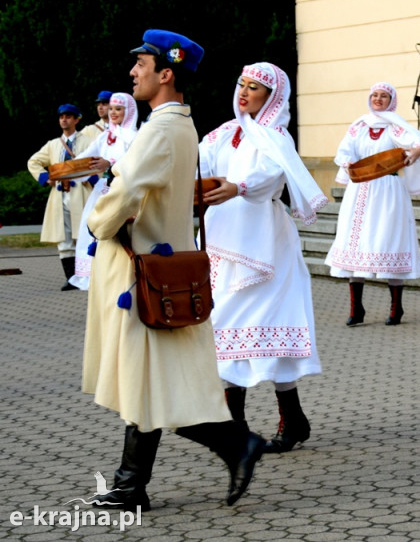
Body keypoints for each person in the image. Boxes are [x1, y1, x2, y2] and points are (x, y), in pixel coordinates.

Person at [82, 29, 265, 511]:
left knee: (151, 381)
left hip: (142, 273)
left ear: (166, 73)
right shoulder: (179, 123)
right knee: (152, 380)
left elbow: (126, 194)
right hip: (157, 270)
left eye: (140, 64)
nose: (132, 72)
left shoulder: (161, 129)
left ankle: (144, 481)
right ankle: (133, 484)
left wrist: (98, 222)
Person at [200, 62, 328, 453]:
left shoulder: (275, 136)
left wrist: (238, 186)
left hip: (265, 240)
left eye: (254, 87)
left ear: (271, 98)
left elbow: (272, 174)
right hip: (222, 237)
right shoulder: (224, 132)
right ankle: (256, 426)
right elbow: (197, 162)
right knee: (222, 325)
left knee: (264, 325)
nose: (244, 92)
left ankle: (271, 424)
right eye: (241, 83)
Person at [325, 82, 420, 326]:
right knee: (355, 243)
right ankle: (357, 310)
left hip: (388, 190)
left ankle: (395, 308)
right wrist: (348, 163)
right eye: (375, 95)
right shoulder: (359, 126)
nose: (378, 99)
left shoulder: (396, 126)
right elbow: (343, 152)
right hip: (360, 190)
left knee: (388, 240)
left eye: (384, 96)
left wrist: (416, 151)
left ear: (392, 100)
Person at [69, 92, 140, 290]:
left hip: (123, 190)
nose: (113, 113)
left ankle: (120, 273)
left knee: (118, 231)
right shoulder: (105, 137)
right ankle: (94, 273)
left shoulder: (134, 136)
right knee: (91, 226)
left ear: (129, 111)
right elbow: (86, 157)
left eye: (118, 109)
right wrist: (65, 171)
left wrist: (109, 164)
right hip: (103, 190)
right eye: (111, 109)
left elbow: (135, 164)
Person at [27, 104, 95, 290]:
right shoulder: (53, 145)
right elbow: (33, 161)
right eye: (61, 117)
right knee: (63, 237)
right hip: (60, 194)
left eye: (68, 116)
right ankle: (71, 278)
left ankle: (88, 276)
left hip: (81, 193)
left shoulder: (88, 141)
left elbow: (99, 161)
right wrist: (44, 177)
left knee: (84, 234)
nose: (64, 119)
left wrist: (93, 179)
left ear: (76, 119)